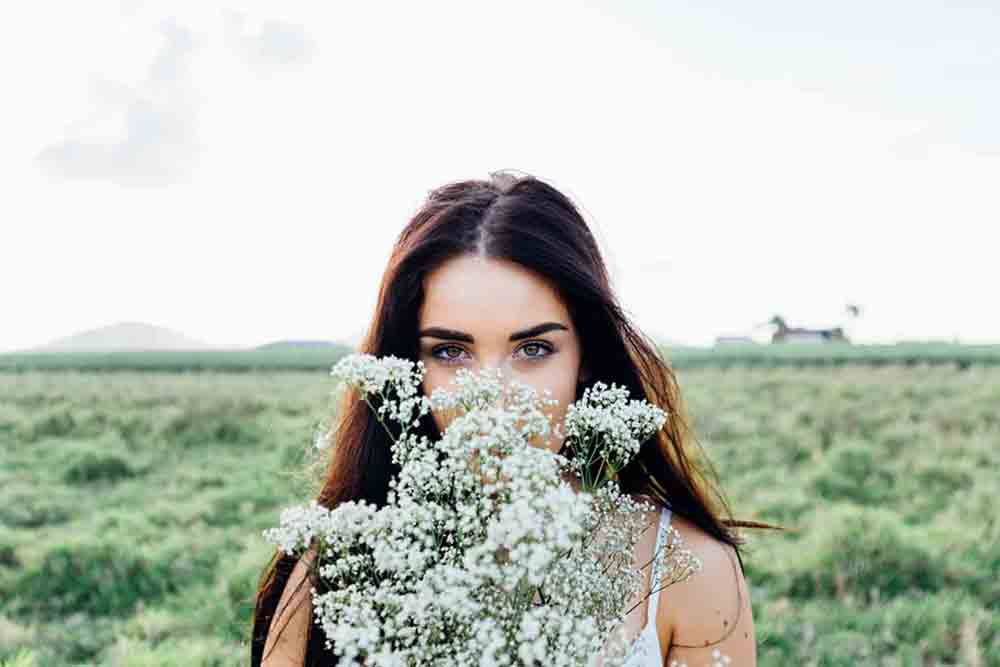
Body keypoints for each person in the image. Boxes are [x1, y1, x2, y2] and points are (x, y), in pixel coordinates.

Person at [251, 171, 764, 666]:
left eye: (534, 348)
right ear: (406, 368)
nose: (494, 399)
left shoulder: (688, 572)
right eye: (451, 351)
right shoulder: (336, 564)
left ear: (585, 358)